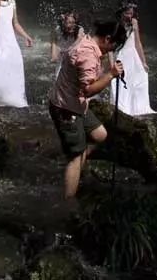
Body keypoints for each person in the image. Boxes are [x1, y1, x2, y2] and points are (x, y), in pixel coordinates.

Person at [49, 18, 127, 199]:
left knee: (100, 135)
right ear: (107, 39)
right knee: (75, 158)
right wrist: (111, 75)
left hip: (74, 103)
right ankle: (68, 202)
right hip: (66, 108)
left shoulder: (86, 40)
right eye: (114, 46)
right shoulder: (88, 55)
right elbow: (89, 90)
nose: (112, 51)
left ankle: (78, 160)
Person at [109, 2, 157, 116]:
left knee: (138, 81)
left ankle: (137, 108)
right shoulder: (116, 26)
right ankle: (121, 108)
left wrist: (143, 62)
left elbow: (137, 43)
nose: (130, 16)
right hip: (121, 56)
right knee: (121, 82)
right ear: (121, 13)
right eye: (127, 13)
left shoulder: (134, 22)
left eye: (131, 13)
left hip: (133, 56)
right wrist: (111, 65)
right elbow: (110, 48)